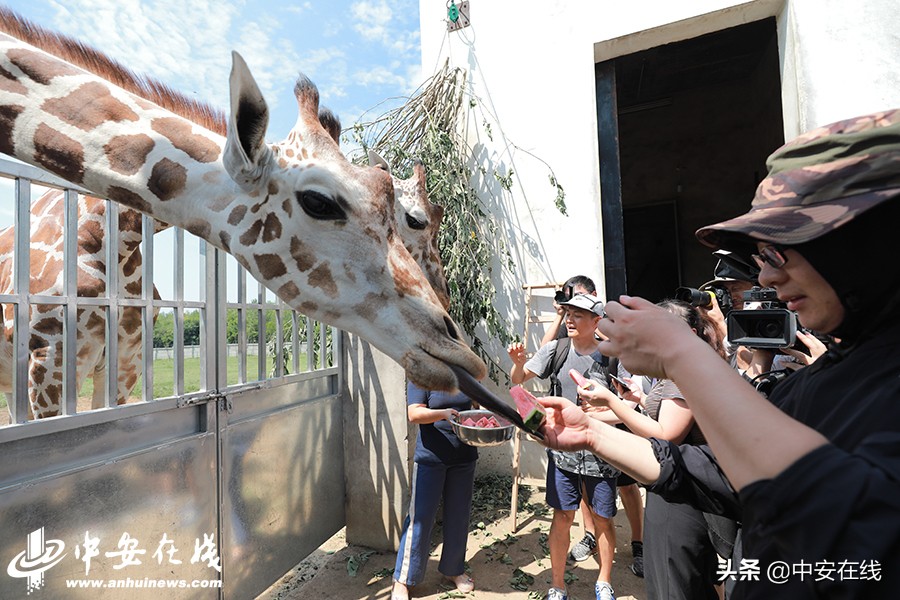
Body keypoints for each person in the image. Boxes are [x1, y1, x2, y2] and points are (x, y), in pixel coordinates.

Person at [534, 109, 900, 599]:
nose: (766, 279)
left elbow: (844, 528)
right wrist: (593, 433)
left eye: (778, 252)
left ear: (864, 243)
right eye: (760, 259)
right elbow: (713, 470)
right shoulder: (829, 378)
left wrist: (681, 353)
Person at [579, 300, 726, 600]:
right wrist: (639, 400)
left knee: (676, 585)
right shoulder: (673, 371)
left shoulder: (683, 374)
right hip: (674, 483)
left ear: (691, 333)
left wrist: (612, 402)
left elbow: (666, 435)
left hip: (684, 494)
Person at [508, 293, 620, 600]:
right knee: (562, 516)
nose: (569, 319)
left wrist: (597, 416)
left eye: (579, 315)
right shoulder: (555, 350)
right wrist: (518, 364)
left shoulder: (612, 355)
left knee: (602, 518)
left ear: (597, 321)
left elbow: (629, 406)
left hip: (601, 452)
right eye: (568, 313)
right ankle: (557, 585)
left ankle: (604, 582)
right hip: (563, 454)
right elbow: (518, 381)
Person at [538, 276, 645, 576]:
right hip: (578, 429)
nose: (572, 311)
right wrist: (560, 315)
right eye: (568, 304)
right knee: (584, 485)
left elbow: (628, 381)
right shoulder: (569, 326)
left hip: (612, 422)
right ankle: (589, 536)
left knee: (625, 485)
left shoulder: (606, 325)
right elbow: (543, 355)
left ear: (594, 300)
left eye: (579, 303)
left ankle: (638, 543)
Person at [392, 382, 478, 600]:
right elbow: (414, 413)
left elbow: (475, 407)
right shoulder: (423, 373)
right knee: (420, 519)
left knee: (459, 516)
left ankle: (453, 569)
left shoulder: (464, 372)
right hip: (431, 457)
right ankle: (403, 579)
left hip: (464, 456)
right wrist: (443, 414)